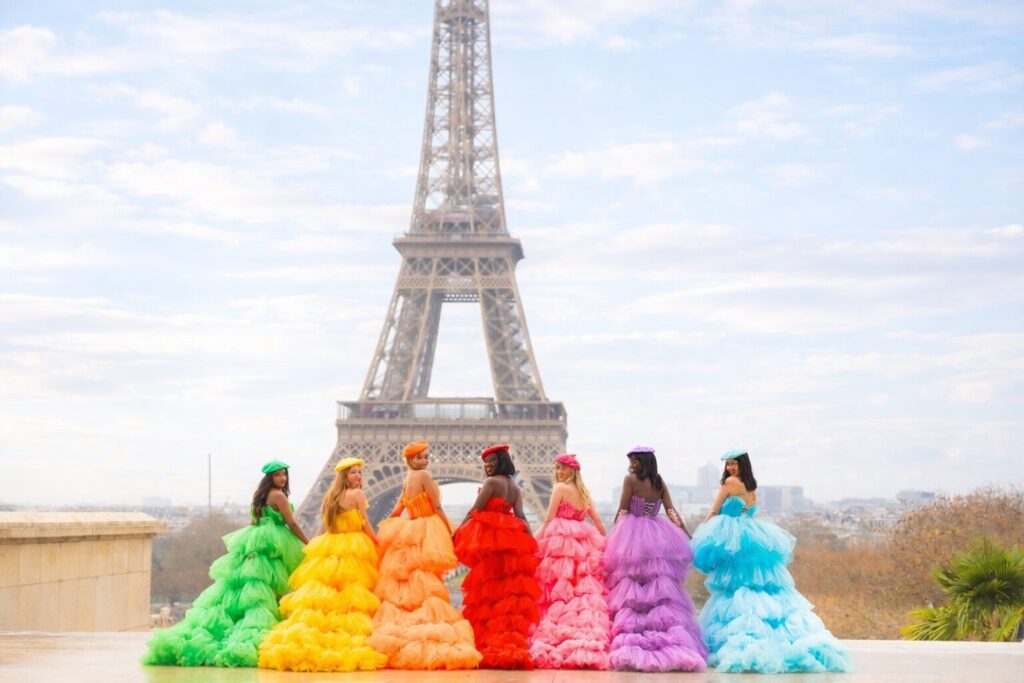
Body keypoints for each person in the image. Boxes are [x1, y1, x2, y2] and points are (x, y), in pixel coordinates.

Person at [691, 449, 853, 673]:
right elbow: (749, 512)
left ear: (742, 464)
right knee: (760, 585)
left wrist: (702, 533)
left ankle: (743, 632)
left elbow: (714, 511)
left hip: (734, 539)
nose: (730, 468)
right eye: (728, 464)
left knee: (737, 588)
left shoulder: (729, 483)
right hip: (752, 537)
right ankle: (774, 634)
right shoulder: (751, 486)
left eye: (734, 463)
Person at [143, 459, 307, 667]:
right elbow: (292, 523)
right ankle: (270, 633)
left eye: (284, 474)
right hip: (275, 547)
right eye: (278, 474)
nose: (282, 478)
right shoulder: (279, 496)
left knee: (253, 593)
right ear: (270, 477)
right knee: (274, 592)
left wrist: (248, 549)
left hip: (258, 546)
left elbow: (254, 523)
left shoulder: (262, 496)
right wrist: (308, 542)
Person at [258, 457, 387, 672]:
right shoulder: (358, 494)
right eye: (354, 472)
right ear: (345, 475)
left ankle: (323, 633)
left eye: (359, 472)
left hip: (332, 545)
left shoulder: (332, 497)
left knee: (329, 596)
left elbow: (329, 525)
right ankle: (345, 632)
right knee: (352, 595)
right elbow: (365, 524)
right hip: (354, 547)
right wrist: (377, 543)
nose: (358, 476)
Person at [367, 441, 482, 669]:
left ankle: (406, 632)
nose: (425, 461)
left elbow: (398, 509)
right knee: (426, 582)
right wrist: (449, 530)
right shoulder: (425, 476)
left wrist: (387, 529)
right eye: (420, 457)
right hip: (428, 529)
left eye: (426, 456)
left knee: (409, 583)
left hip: (410, 528)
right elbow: (437, 507)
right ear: (411, 459)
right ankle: (425, 630)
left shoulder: (408, 477)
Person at [603, 446, 707, 672]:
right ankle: (661, 636)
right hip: (658, 538)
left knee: (632, 589)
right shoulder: (659, 482)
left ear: (642, 461)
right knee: (658, 590)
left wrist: (612, 537)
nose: (631, 464)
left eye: (634, 460)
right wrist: (686, 534)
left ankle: (635, 634)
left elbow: (622, 510)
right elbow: (671, 512)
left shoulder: (630, 480)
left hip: (632, 537)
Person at [453, 444, 540, 669]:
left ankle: (487, 645)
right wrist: (531, 541)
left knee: (488, 597)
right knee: (505, 599)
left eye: (492, 461)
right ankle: (507, 646)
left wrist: (458, 532)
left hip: (492, 543)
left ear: (502, 461)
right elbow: (521, 517)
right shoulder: (515, 486)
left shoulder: (491, 483)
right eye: (486, 463)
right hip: (510, 544)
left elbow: (476, 510)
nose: (488, 466)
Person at [530, 453, 610, 670]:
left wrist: (533, 542)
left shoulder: (560, 489)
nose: (558, 472)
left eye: (562, 468)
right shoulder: (584, 493)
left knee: (558, 592)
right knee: (579, 592)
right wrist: (607, 542)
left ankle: (559, 632)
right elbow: (598, 521)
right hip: (583, 544)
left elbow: (548, 519)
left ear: (572, 470)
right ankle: (580, 635)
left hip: (561, 543)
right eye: (556, 468)